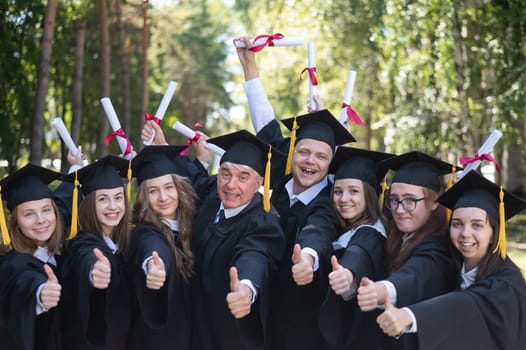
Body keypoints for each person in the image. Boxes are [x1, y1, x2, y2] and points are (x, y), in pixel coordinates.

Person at [235, 38, 356, 349]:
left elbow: (319, 230)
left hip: (303, 324)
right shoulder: (278, 185)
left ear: (331, 164)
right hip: (260, 311)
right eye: (303, 152)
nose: (309, 162)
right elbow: (265, 124)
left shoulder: (329, 203)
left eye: (321, 156)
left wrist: (309, 258)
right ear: (292, 153)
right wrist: (249, 66)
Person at [376, 170, 526, 349]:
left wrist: (410, 316)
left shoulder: (506, 284)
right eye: (457, 224)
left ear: (494, 232)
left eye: (477, 225)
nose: (465, 233)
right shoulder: (453, 267)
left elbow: (468, 304)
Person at [190, 130, 286, 350]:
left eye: (243, 177)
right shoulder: (213, 198)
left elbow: (256, 255)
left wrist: (245, 287)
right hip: (195, 329)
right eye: (225, 174)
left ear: (259, 182)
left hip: (228, 337)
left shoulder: (264, 223)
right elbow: (195, 180)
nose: (231, 185)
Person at [356, 151, 459, 350]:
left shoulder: (439, 247)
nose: (400, 209)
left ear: (435, 202)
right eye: (394, 200)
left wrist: (381, 290)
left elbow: (417, 275)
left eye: (410, 200)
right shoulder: (398, 238)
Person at [318, 146, 394, 350]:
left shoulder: (370, 232)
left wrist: (346, 273)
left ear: (369, 195)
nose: (343, 199)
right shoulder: (349, 228)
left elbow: (358, 253)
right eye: (338, 191)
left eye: (353, 191)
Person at [126, 145, 195, 350]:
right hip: (154, 341)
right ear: (144, 197)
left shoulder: (193, 224)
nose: (163, 197)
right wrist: (154, 267)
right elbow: (152, 248)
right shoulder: (143, 231)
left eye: (168, 187)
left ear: (178, 188)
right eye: (153, 191)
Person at [59, 155, 131, 350]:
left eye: (118, 197)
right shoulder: (82, 244)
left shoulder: (124, 242)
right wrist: (94, 271)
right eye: (102, 199)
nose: (113, 207)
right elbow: (87, 257)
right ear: (89, 204)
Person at [0, 164, 63, 350]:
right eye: (29, 214)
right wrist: (40, 294)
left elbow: (66, 199)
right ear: (16, 222)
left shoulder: (59, 250)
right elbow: (23, 283)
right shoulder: (12, 265)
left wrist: (75, 163)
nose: (41, 220)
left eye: (46, 210)